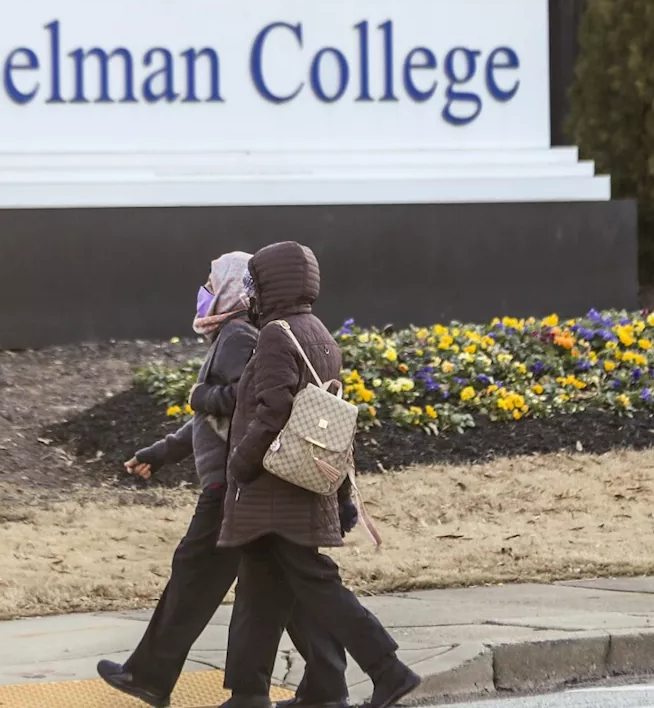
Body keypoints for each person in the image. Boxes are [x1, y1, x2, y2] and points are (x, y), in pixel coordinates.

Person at [98, 251, 353, 708]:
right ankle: (325, 687)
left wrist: (201, 394)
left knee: (195, 578)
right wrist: (160, 453)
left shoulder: (237, 336)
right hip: (235, 482)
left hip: (232, 486)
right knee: (282, 587)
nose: (205, 289)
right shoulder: (240, 334)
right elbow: (211, 423)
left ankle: (152, 677)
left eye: (211, 281)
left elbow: (245, 403)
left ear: (233, 287)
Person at [217, 242, 421, 708]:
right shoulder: (319, 333)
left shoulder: (275, 334)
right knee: (260, 588)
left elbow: (274, 410)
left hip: (275, 487)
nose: (250, 292)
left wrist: (241, 463)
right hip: (304, 484)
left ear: (273, 285)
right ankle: (253, 692)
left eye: (255, 282)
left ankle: (389, 671)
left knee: (318, 586)